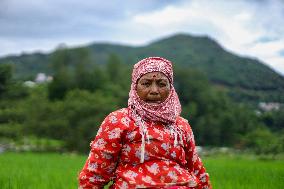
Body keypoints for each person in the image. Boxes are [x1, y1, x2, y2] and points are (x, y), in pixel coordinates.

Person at [78, 57, 212, 189]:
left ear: (171, 88)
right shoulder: (119, 120)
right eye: (146, 83)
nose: (154, 91)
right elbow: (96, 172)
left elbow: (196, 170)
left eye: (161, 84)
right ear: (135, 87)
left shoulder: (181, 125)